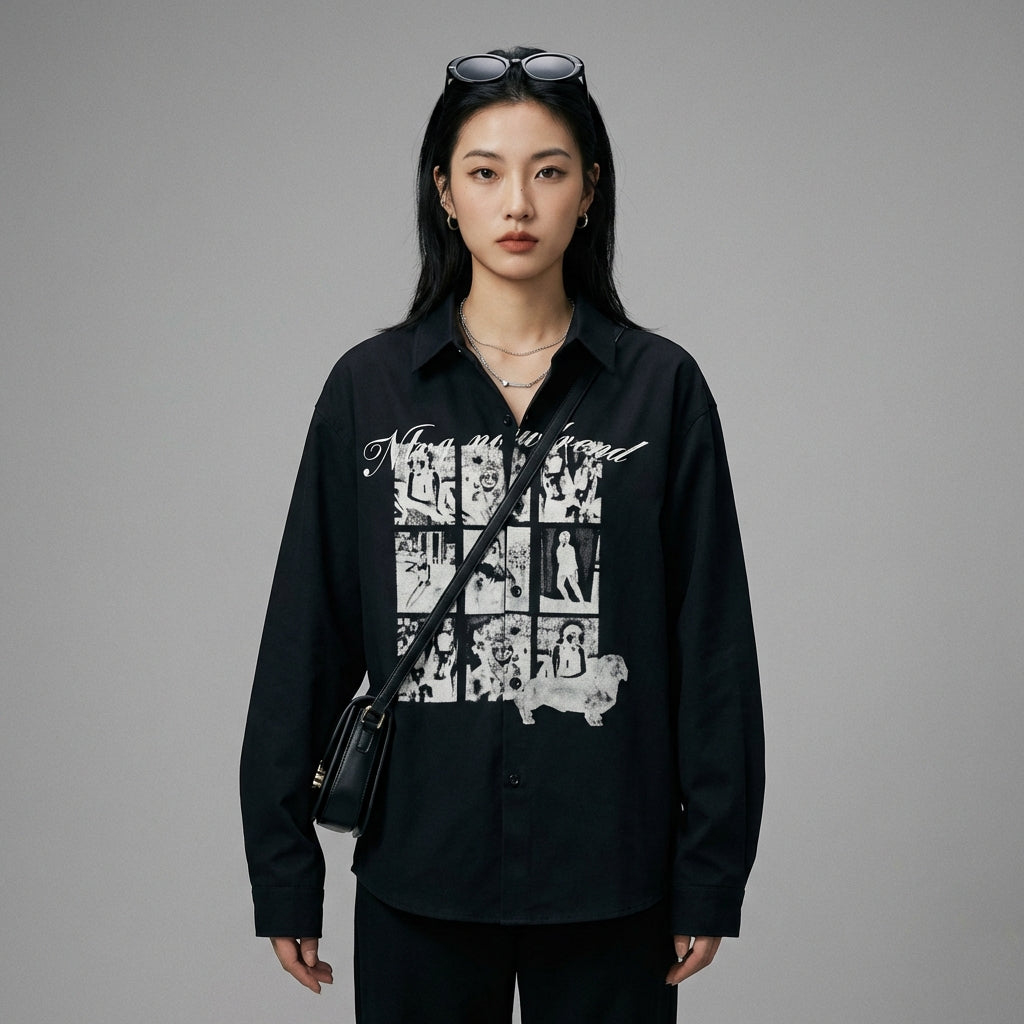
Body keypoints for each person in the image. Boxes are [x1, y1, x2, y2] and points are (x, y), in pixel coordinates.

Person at [240, 46, 765, 1023]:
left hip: (614, 876)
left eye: (548, 171)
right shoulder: (368, 390)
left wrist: (711, 871)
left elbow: (712, 648)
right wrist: (283, 869)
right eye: (484, 172)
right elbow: (306, 636)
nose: (517, 203)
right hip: (419, 872)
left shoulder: (663, 389)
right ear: (444, 192)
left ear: (589, 191)